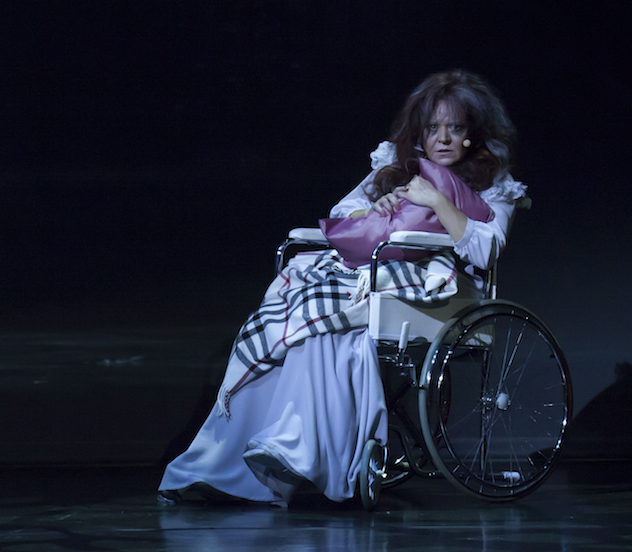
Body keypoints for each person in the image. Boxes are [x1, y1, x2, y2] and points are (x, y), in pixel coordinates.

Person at [159, 70, 527, 505]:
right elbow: (343, 211)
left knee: (331, 325)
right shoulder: (395, 169)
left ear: (472, 134)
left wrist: (436, 200)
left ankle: (295, 451)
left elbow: (486, 249)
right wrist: (375, 208)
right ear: (420, 134)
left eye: (455, 127)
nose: (443, 138)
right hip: (369, 277)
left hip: (436, 289)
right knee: (315, 326)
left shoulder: (493, 184)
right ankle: (242, 458)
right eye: (433, 128)